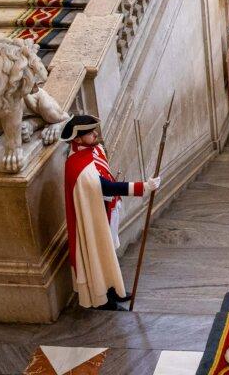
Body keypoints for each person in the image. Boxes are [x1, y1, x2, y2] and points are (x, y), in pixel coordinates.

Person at [61, 114, 160, 310]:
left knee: (108, 253)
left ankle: (114, 288)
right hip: (93, 218)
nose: (96, 134)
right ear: (78, 139)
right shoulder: (77, 166)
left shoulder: (94, 149)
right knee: (100, 253)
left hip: (105, 210)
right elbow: (105, 186)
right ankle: (103, 297)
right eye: (90, 133)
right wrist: (143, 187)